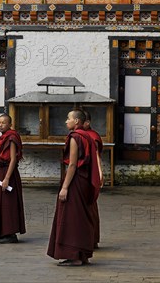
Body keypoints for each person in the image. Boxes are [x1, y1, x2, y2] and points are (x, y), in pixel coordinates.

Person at [47, 109, 100, 267]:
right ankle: (82, 254)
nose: (66, 121)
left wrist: (64, 187)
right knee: (80, 217)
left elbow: (72, 164)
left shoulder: (75, 137)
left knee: (71, 218)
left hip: (75, 181)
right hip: (84, 181)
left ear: (77, 121)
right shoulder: (88, 137)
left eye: (68, 118)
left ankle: (74, 256)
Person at [0, 114, 26, 244]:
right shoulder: (3, 138)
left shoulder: (12, 137)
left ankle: (10, 233)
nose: (1, 125)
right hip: (0, 171)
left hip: (8, 172)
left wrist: (7, 178)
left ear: (10, 125)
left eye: (4, 123)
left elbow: (13, 159)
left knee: (8, 203)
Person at [83, 110, 104, 249]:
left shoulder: (92, 136)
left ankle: (92, 238)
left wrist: (100, 174)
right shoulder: (79, 135)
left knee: (90, 207)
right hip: (81, 174)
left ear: (87, 122)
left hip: (89, 175)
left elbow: (96, 156)